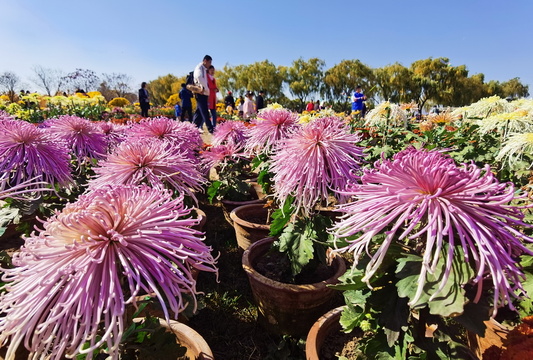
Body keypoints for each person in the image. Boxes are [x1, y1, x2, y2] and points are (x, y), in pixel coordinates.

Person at [192, 55, 214, 133]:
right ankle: (210, 129)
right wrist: (204, 88)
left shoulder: (204, 69)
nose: (210, 64)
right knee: (204, 111)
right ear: (205, 61)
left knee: (199, 111)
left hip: (204, 92)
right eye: (209, 62)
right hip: (201, 92)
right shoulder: (199, 68)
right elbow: (199, 77)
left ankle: (193, 127)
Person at [207, 65, 219, 131]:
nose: (212, 72)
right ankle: (200, 126)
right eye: (211, 70)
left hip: (213, 98)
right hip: (208, 97)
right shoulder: (206, 77)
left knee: (214, 114)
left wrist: (216, 89)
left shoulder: (213, 79)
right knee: (205, 113)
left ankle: (213, 126)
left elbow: (215, 87)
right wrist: (213, 89)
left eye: (213, 70)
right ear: (208, 70)